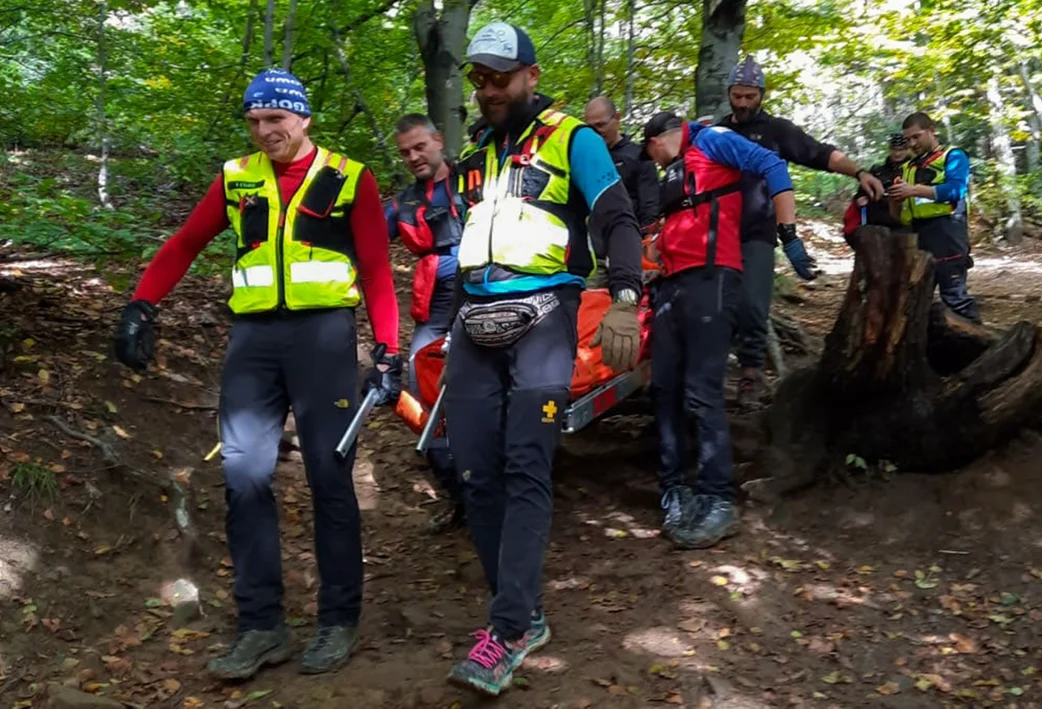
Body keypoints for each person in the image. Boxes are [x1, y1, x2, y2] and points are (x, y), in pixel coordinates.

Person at [111, 68, 401, 679]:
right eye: (254, 121)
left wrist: (388, 349)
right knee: (243, 474)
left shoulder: (350, 179)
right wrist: (142, 304)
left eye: (276, 119)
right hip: (253, 342)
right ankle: (262, 626)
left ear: (302, 120)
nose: (265, 131)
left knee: (330, 476)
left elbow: (376, 267)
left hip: (323, 339)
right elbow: (186, 243)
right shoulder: (236, 178)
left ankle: (337, 620)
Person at [442, 21, 645, 697]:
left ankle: (505, 630)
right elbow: (460, 249)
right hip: (473, 321)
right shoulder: (474, 159)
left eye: (501, 76)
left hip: (546, 318)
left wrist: (623, 294)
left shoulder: (572, 138)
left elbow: (616, 215)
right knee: (475, 470)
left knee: (528, 460)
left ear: (530, 75)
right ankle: (523, 611)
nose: (489, 89)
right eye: (480, 78)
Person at [640, 110, 796, 549]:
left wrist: (788, 230)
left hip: (713, 278)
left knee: (701, 391)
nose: (652, 162)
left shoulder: (713, 140)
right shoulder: (677, 167)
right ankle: (675, 488)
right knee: (664, 388)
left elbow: (772, 164)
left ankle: (719, 499)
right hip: (672, 284)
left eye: (650, 152)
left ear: (658, 139)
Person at [717, 56, 885, 408]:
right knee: (715, 306)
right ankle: (709, 377)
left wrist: (859, 172)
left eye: (750, 96)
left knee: (752, 304)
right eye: (737, 96)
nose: (743, 103)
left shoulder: (776, 131)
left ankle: (750, 376)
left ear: (761, 94)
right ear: (729, 93)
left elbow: (820, 153)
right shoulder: (717, 132)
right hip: (714, 235)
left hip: (757, 233)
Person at [384, 112, 465, 533]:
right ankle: (459, 492)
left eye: (420, 147)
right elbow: (365, 235)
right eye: (405, 153)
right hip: (432, 307)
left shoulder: (473, 180)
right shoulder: (404, 201)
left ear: (437, 140)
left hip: (482, 300)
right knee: (418, 394)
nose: (414, 157)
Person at [887, 111, 979, 321]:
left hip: (947, 233)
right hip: (917, 237)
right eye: (908, 139)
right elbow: (900, 218)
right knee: (915, 300)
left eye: (916, 136)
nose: (912, 143)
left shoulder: (953, 156)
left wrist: (915, 191)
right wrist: (894, 200)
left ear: (931, 131)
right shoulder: (908, 167)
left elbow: (956, 191)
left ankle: (976, 344)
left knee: (955, 297)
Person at [583, 96, 660, 231]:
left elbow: (650, 207)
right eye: (590, 128)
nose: (596, 132)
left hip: (629, 237)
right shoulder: (585, 158)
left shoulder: (638, 156)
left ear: (617, 118)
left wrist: (645, 240)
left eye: (601, 125)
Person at [844, 132, 912, 239]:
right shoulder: (877, 171)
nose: (897, 153)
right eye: (894, 149)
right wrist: (860, 199)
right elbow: (861, 193)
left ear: (908, 149)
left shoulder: (915, 170)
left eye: (901, 149)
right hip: (877, 225)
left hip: (906, 225)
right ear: (890, 149)